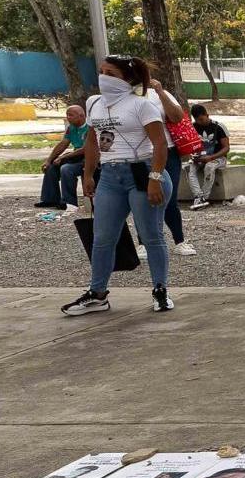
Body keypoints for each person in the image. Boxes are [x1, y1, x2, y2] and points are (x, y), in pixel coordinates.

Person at [61, 53, 178, 317]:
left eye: (110, 73)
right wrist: (88, 174)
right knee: (102, 237)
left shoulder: (142, 105)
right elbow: (92, 141)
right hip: (111, 176)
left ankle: (161, 289)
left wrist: (155, 179)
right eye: (101, 71)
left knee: (151, 235)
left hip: (142, 171)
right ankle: (97, 293)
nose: (103, 78)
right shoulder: (94, 104)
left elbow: (160, 144)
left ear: (128, 78)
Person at [147, 77, 197, 257]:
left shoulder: (160, 94)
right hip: (141, 155)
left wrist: (160, 92)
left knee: (169, 198)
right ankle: (143, 243)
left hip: (167, 151)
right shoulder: (123, 97)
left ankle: (179, 241)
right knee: (142, 200)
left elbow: (176, 117)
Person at [38, 105, 87, 211]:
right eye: (67, 115)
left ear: (81, 116)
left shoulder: (89, 127)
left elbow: (85, 149)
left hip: (87, 158)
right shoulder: (71, 128)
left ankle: (69, 202)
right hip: (75, 156)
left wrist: (63, 157)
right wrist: (49, 160)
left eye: (71, 115)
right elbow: (63, 144)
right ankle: (50, 199)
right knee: (50, 167)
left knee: (66, 169)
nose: (68, 117)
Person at [185, 103, 230, 210]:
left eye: (202, 119)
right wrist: (194, 156)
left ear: (207, 115)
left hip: (218, 158)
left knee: (209, 167)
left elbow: (226, 148)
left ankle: (204, 197)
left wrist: (211, 157)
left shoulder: (218, 127)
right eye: (197, 120)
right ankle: (198, 196)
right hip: (200, 158)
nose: (200, 122)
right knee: (189, 168)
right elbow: (189, 145)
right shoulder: (193, 127)